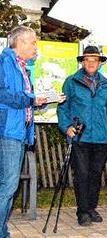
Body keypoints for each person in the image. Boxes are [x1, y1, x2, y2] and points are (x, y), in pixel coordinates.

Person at [57, 46, 107, 226]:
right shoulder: (71, 82)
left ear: (99, 63)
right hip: (80, 137)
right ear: (82, 62)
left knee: (96, 175)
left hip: (100, 138)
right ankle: (82, 211)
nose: (91, 63)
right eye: (87, 59)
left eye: (94, 60)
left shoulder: (105, 84)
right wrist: (66, 126)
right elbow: (63, 108)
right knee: (82, 175)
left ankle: (91, 208)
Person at [0, 26, 51, 237]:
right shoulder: (4, 63)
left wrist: (38, 102)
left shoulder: (22, 67)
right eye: (33, 42)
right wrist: (31, 99)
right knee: (9, 186)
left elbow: (22, 99)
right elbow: (4, 96)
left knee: (8, 186)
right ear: (20, 43)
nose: (35, 46)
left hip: (19, 133)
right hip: (8, 132)